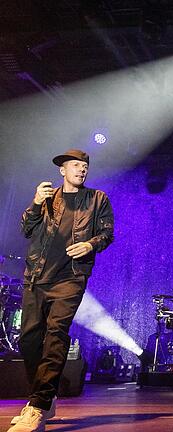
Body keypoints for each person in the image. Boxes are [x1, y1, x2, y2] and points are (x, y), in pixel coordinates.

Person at [11, 149, 114, 432]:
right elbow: (26, 230)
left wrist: (90, 244)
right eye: (75, 166)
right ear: (62, 170)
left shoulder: (97, 199)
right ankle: (44, 397)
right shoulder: (47, 199)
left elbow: (107, 234)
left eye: (85, 166)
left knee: (56, 334)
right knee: (29, 340)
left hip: (71, 277)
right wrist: (34, 203)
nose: (81, 170)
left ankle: (39, 406)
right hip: (37, 275)